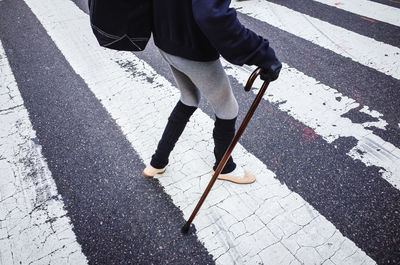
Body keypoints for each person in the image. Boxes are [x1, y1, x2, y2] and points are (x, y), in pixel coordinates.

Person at [142, 0, 282, 183]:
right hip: (193, 46)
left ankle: (157, 162)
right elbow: (212, 14)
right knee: (227, 107)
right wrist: (261, 53)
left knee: (189, 97)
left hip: (166, 39)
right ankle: (225, 167)